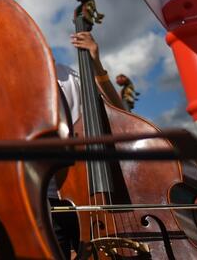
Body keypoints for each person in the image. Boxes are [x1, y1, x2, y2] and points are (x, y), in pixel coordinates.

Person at [50, 29, 127, 258]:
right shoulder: (14, 79)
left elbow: (119, 113)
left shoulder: (72, 76)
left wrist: (96, 62)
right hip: (47, 193)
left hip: (90, 189)